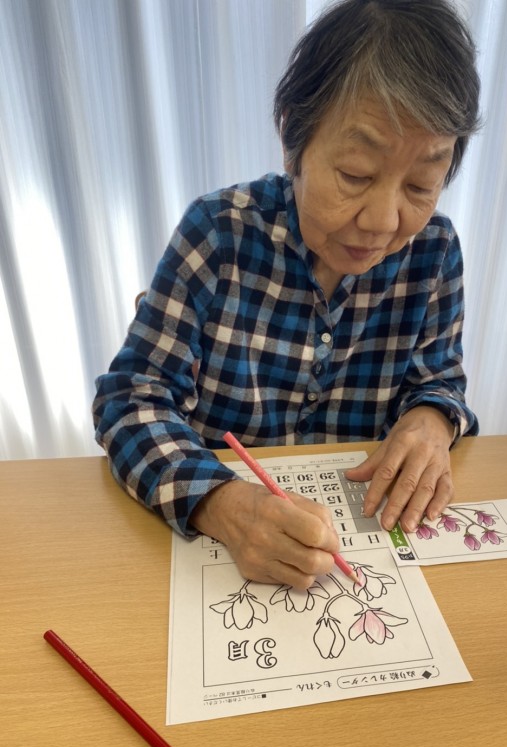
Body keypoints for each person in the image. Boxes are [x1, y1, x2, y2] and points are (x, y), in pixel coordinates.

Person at [93, 0, 481, 589]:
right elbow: (129, 399)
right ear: (292, 138)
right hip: (212, 560)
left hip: (365, 543)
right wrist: (222, 504)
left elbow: (439, 380)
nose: (383, 221)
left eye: (421, 185)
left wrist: (431, 420)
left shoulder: (434, 251)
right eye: (355, 175)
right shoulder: (218, 234)